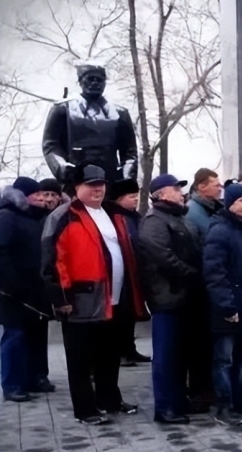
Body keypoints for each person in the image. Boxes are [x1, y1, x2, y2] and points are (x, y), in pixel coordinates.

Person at [42, 165, 147, 425]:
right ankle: (85, 409)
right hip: (81, 299)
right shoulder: (64, 216)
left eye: (101, 183)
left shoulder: (112, 213)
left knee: (109, 355)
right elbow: (53, 261)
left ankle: (109, 399)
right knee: (80, 360)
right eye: (91, 184)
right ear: (76, 187)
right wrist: (61, 299)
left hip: (114, 298)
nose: (97, 188)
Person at [138, 174, 200, 424]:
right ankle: (164, 408)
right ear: (161, 194)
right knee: (166, 356)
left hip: (183, 295)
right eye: (175, 188)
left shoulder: (178, 217)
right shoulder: (154, 221)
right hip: (167, 296)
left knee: (180, 355)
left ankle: (178, 401)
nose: (180, 192)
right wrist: (192, 274)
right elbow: (163, 257)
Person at [203, 184, 242, 426]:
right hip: (229, 311)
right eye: (241, 200)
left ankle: (240, 400)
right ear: (229, 203)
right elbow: (215, 273)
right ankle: (224, 405)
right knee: (224, 360)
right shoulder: (220, 231)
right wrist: (227, 306)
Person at [42, 61, 138, 189]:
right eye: (90, 79)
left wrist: (127, 175)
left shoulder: (120, 113)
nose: (95, 83)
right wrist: (62, 168)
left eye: (99, 80)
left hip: (110, 180)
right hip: (76, 180)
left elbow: (129, 152)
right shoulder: (63, 109)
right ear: (81, 81)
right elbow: (51, 145)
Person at [0, 178, 54, 403]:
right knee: (15, 335)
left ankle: (35, 377)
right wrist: (10, 284)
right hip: (13, 291)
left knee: (36, 335)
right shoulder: (6, 217)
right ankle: (12, 384)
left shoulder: (34, 219)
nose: (42, 198)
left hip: (36, 289)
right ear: (23, 196)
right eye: (37, 195)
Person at [183, 167, 223, 411]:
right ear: (200, 187)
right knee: (200, 344)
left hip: (210, 285)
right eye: (214, 184)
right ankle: (199, 391)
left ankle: (207, 389)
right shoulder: (193, 213)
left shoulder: (212, 210)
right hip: (201, 287)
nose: (219, 187)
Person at [107, 178, 152, 367]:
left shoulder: (134, 217)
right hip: (120, 274)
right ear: (119, 199)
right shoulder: (114, 218)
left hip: (133, 271)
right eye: (131, 196)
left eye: (136, 196)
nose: (135, 200)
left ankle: (129, 349)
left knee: (129, 314)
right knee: (120, 315)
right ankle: (120, 352)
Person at [187, 168, 224, 241]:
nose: (220, 189)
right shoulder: (191, 212)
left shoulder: (218, 207)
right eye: (216, 186)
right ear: (202, 187)